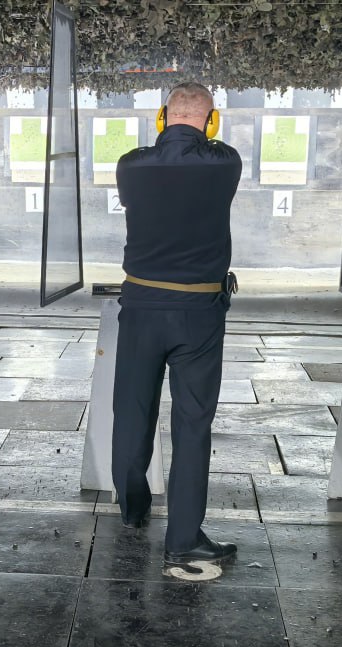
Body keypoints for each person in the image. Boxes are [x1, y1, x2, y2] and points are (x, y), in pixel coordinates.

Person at [111, 82, 242, 568]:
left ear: (161, 118)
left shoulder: (131, 165)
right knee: (192, 423)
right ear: (212, 122)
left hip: (141, 305)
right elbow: (210, 148)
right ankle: (183, 536)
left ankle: (133, 508)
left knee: (132, 411)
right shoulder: (225, 163)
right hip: (199, 311)